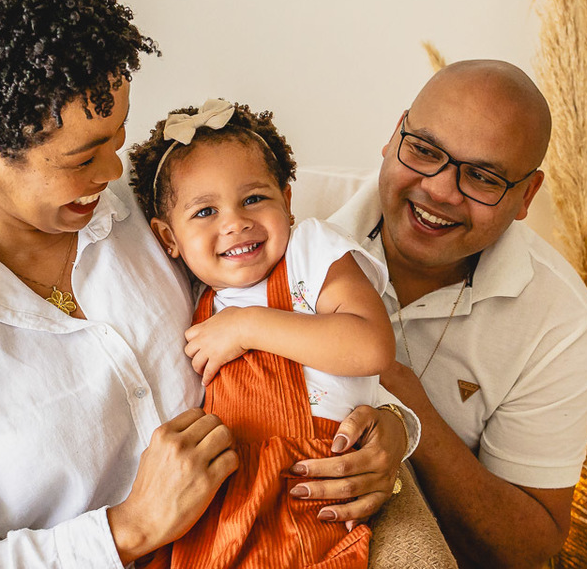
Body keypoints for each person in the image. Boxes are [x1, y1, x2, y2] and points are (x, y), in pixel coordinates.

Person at [0, 0, 410, 569]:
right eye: (82, 158)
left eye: (117, 137)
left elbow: (297, 316)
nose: (113, 172)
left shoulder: (164, 218)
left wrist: (387, 429)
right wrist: (127, 530)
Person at [313, 60, 587, 569]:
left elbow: (530, 545)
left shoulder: (562, 319)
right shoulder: (284, 211)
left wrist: (400, 398)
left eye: (484, 178)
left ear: (526, 197)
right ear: (393, 134)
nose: (440, 190)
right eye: (424, 150)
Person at [127, 100, 396, 568]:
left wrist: (247, 326)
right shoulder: (195, 298)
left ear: (287, 202)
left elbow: (371, 347)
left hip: (305, 487)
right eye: (205, 211)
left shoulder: (312, 252)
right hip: (220, 497)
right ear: (168, 239)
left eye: (254, 199)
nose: (234, 222)